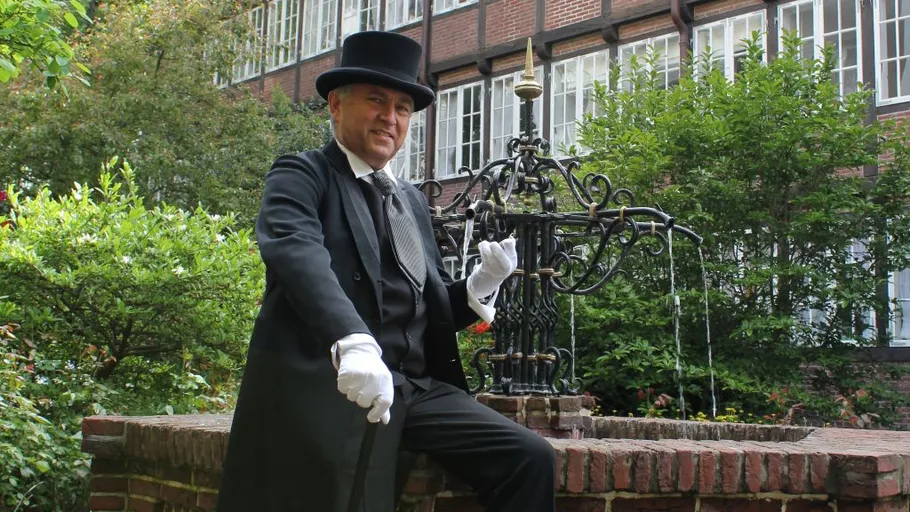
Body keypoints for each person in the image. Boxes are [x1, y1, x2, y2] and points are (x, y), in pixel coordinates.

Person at [216, 31, 556, 512]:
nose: (390, 118)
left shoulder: (412, 200)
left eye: (401, 108)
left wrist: (480, 286)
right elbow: (297, 253)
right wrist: (350, 340)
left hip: (415, 389)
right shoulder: (301, 175)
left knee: (530, 457)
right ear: (336, 105)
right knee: (354, 487)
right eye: (376, 101)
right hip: (332, 382)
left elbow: (424, 305)